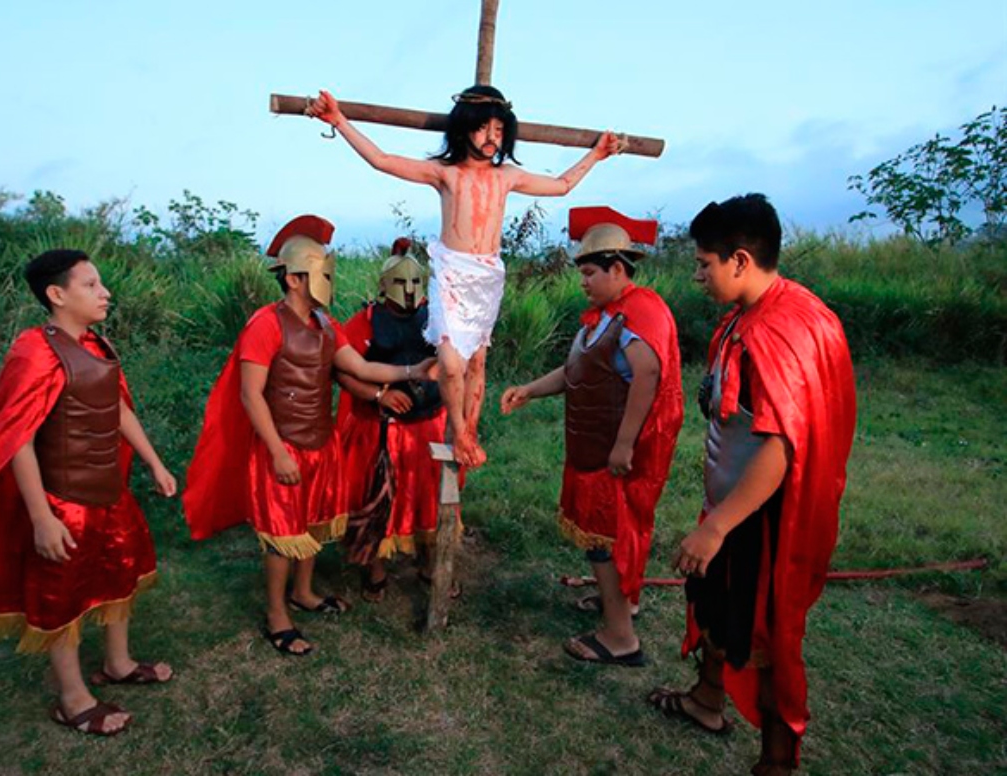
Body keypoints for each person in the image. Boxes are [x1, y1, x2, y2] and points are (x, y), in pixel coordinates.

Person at [0, 249, 178, 738]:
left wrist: (154, 462)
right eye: (90, 285)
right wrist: (42, 517)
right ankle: (72, 699)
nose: (105, 292)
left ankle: (119, 663)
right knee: (60, 598)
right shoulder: (33, 352)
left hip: (109, 491)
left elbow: (119, 408)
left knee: (122, 572)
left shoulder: (97, 345)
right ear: (57, 294)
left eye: (101, 283)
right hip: (62, 498)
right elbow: (15, 436)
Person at [647, 194, 856, 775]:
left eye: (703, 263)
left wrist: (716, 527)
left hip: (764, 518)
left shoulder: (786, 327)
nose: (697, 275)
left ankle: (776, 762)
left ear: (740, 260)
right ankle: (706, 700)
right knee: (715, 605)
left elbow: (781, 447)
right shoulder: (747, 316)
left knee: (764, 633)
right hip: (733, 504)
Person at [305, 86, 623, 468]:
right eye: (482, 128)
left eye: (498, 130)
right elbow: (383, 160)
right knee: (451, 364)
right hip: (453, 274)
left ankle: (468, 432)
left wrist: (597, 154)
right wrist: (339, 121)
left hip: (487, 277)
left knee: (477, 364)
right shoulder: (446, 174)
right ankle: (458, 428)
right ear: (463, 129)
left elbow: (561, 186)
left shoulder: (506, 177)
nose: (491, 138)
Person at [182, 216, 435, 656]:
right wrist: (277, 451)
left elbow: (359, 368)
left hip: (321, 443)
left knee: (315, 525)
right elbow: (251, 394)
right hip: (282, 445)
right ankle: (277, 614)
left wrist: (414, 371)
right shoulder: (265, 324)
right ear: (296, 278)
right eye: (323, 273)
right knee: (283, 533)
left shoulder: (324, 322)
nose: (329, 281)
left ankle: (304, 592)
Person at [500, 207, 683, 665]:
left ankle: (621, 637)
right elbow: (577, 371)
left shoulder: (640, 311)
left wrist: (624, 444)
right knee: (602, 535)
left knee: (606, 538)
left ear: (617, 269)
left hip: (613, 453)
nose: (582, 281)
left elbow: (648, 375)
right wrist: (530, 390)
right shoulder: (607, 314)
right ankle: (620, 603)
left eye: (588, 272)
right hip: (595, 447)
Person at [335, 237, 450, 602]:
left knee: (429, 498)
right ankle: (375, 567)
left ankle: (430, 563)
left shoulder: (436, 318)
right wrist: (380, 395)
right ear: (383, 285)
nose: (410, 289)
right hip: (379, 428)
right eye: (400, 282)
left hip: (427, 423)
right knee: (375, 499)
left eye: (416, 281)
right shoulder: (364, 322)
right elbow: (342, 371)